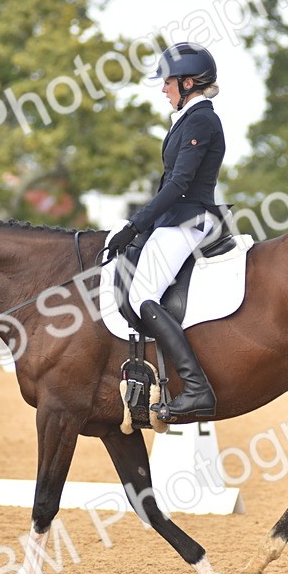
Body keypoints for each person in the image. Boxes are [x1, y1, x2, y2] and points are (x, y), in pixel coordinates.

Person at [105, 42, 225, 421]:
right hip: (171, 219)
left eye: (168, 82)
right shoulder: (187, 118)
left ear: (188, 83)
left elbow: (179, 185)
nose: (163, 89)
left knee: (142, 294)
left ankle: (195, 388)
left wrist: (135, 223)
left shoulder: (201, 120)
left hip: (188, 219)